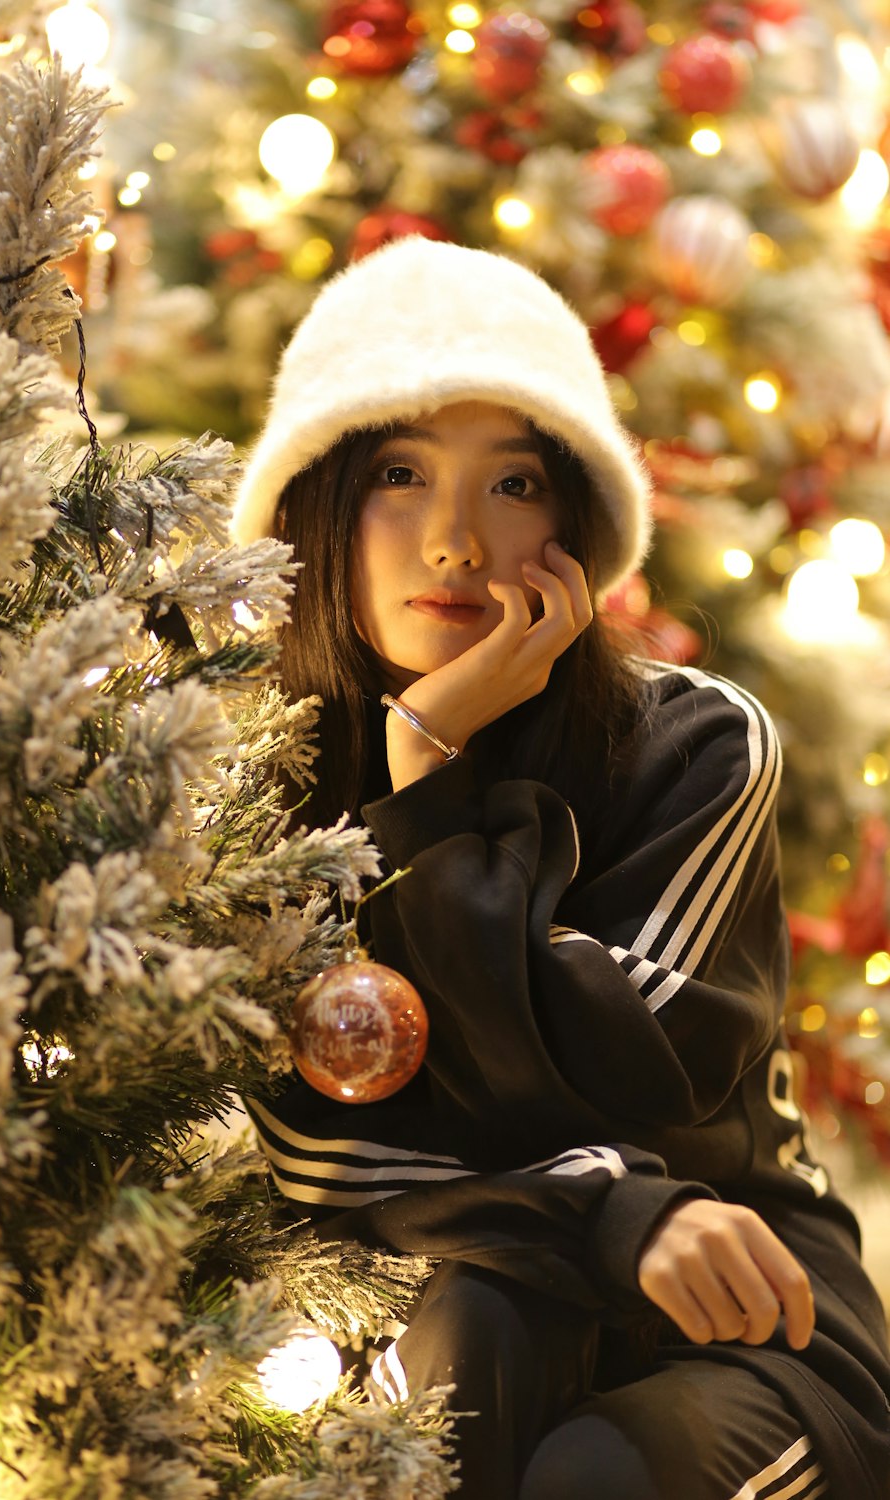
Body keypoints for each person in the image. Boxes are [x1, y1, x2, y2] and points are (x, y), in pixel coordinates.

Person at [231, 236, 890, 1500]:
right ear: (317, 502)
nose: (453, 544)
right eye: (399, 474)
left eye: (513, 484)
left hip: (746, 1316)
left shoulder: (694, 744)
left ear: (575, 517)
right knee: (467, 1345)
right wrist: (601, 1217)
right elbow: (315, 1148)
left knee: (592, 1476)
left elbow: (627, 1085)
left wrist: (426, 790)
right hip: (461, 1292)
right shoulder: (252, 784)